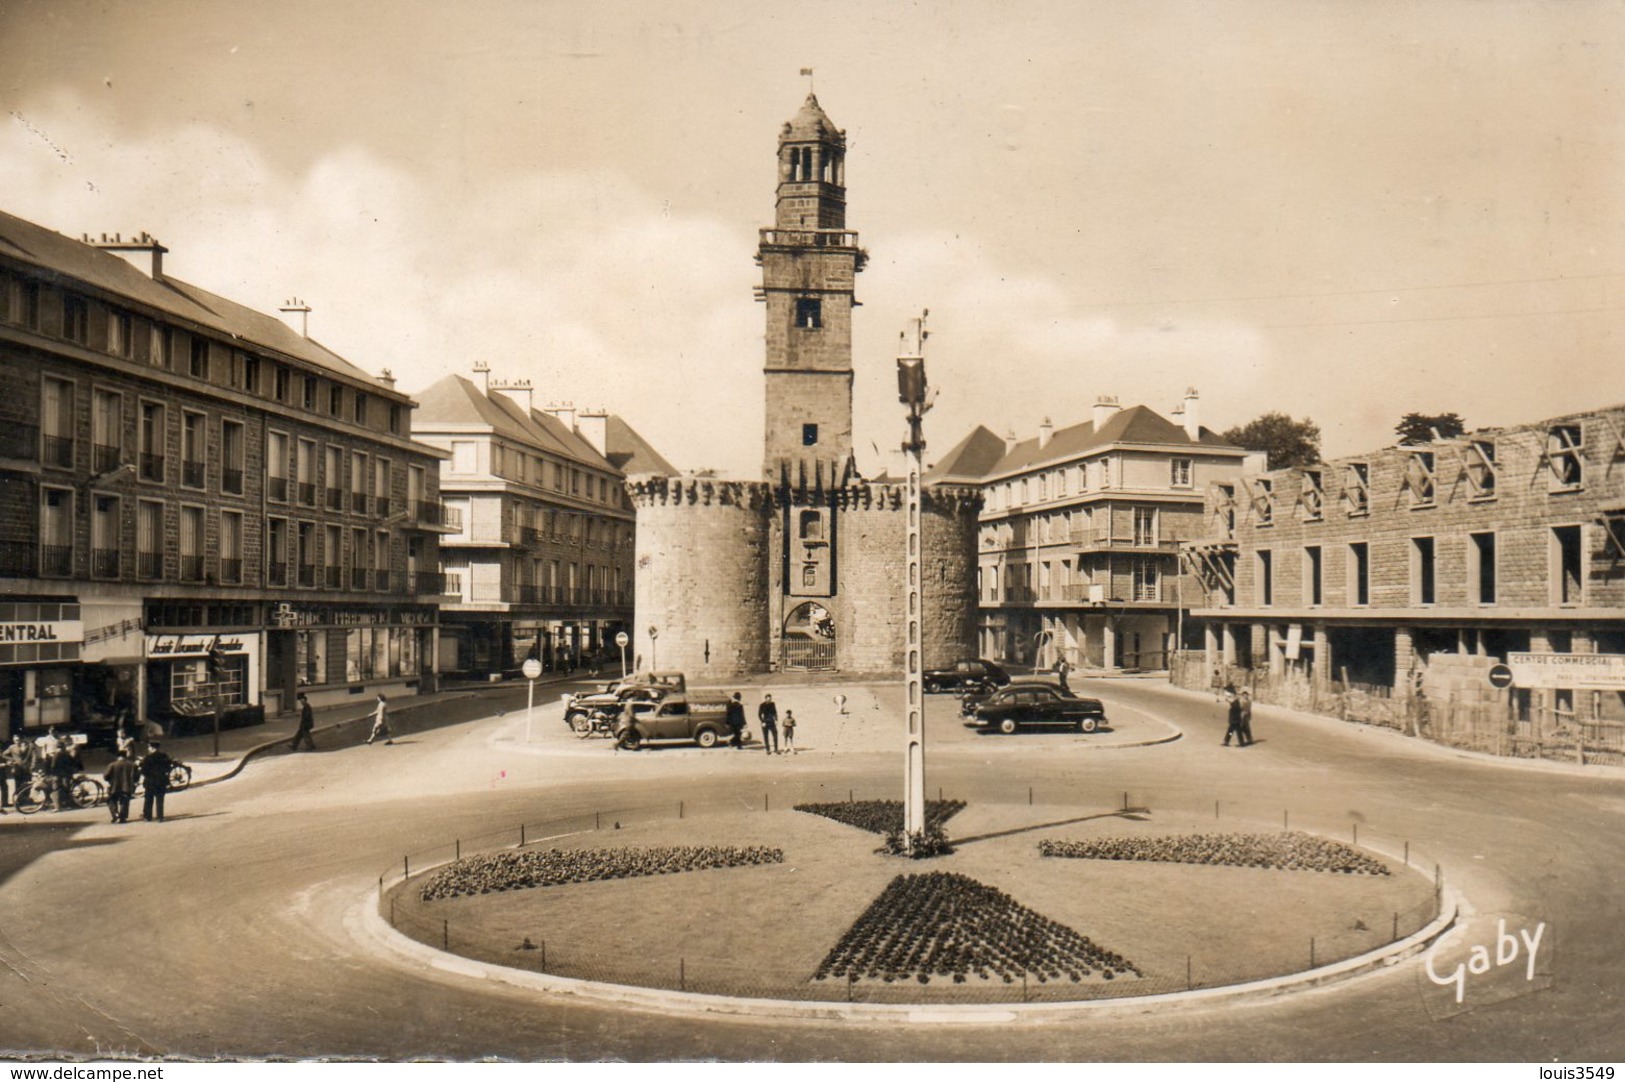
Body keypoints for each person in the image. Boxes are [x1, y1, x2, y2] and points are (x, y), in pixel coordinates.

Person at [139, 741, 174, 822]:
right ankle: (160, 816)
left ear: (152, 748)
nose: (148, 749)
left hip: (150, 781)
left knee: (149, 799)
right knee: (160, 799)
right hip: (161, 781)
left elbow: (143, 770)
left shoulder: (148, 758)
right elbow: (169, 768)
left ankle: (148, 816)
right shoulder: (164, 756)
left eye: (149, 747)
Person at [103, 747, 139, 824]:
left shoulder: (112, 765)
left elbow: (106, 776)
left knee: (111, 800)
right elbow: (136, 776)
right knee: (124, 801)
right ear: (125, 755)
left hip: (114, 787)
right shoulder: (132, 764)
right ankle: (122, 817)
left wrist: (110, 780)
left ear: (117, 756)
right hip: (127, 786)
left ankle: (115, 814)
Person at [1, 732, 34, 813]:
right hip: (17, 768)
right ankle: (18, 800)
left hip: (27, 768)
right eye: (15, 740)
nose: (17, 741)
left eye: (18, 739)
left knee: (27, 783)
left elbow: (34, 757)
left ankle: (25, 799)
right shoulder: (12, 747)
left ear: (22, 739)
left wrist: (32, 766)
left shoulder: (29, 745)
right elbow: (3, 754)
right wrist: (12, 759)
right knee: (18, 784)